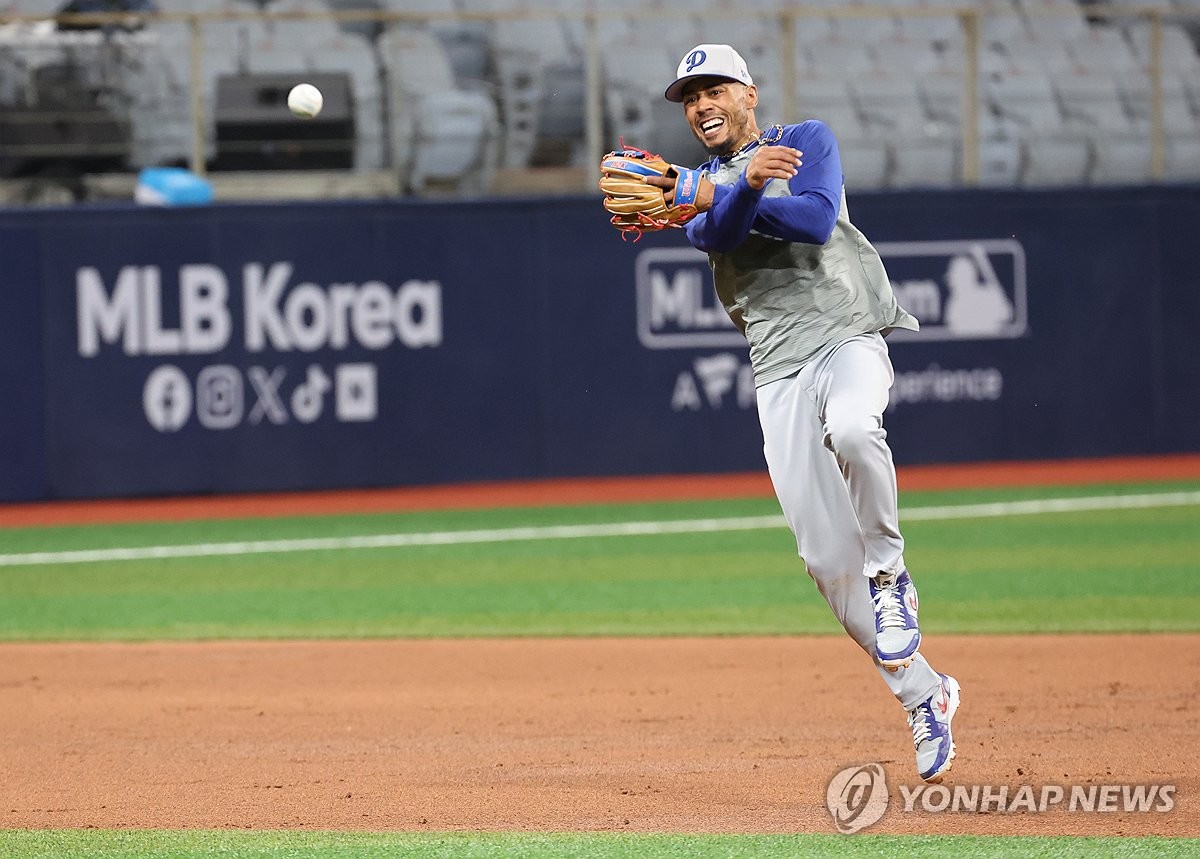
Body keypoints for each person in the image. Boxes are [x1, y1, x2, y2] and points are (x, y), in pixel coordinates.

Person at [651, 44, 960, 784]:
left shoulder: (805, 141)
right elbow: (717, 234)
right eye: (689, 97)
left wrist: (734, 185)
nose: (700, 105)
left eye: (713, 88)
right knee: (824, 562)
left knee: (855, 426)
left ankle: (891, 575)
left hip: (847, 335)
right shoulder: (691, 198)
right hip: (779, 370)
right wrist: (725, 193)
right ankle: (926, 693)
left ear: (748, 92)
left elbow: (817, 221)